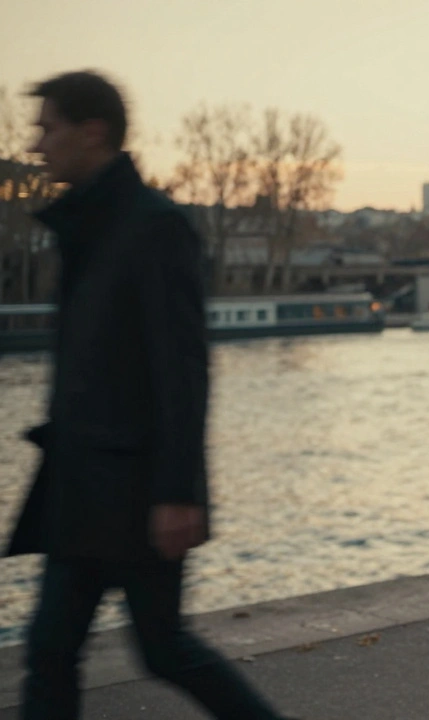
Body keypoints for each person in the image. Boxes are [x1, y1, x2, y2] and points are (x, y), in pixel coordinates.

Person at [4, 70, 291, 720]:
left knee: (157, 648)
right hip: (83, 484)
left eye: (47, 128)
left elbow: (182, 369)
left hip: (135, 491)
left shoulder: (153, 227)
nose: (35, 145)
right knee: (56, 649)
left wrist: (178, 492)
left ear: (92, 131)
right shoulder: (89, 226)